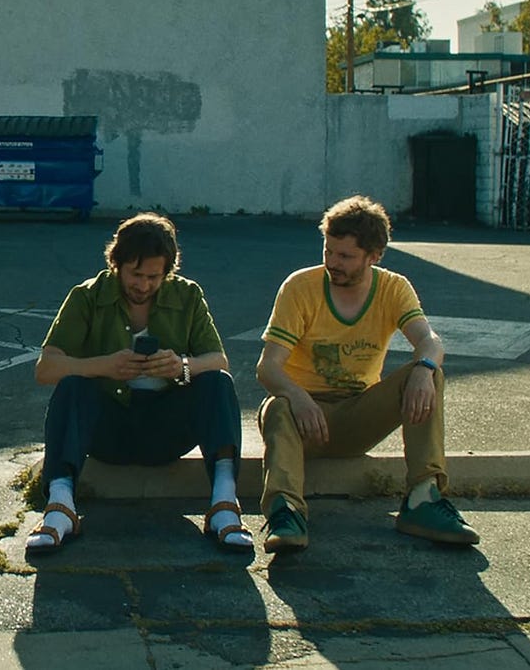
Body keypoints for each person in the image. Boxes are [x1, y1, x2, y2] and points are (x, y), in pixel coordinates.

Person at [255, 195, 479, 553]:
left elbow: (430, 341)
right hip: (302, 419)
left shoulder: (393, 288)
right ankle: (287, 514)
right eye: (328, 251)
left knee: (428, 373)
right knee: (277, 406)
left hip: (358, 415)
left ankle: (423, 500)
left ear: (374, 256)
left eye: (345, 256)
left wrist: (424, 369)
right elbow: (267, 366)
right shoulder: (300, 287)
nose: (332, 262)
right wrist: (298, 396)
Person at [26, 212, 252, 555]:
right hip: (107, 432)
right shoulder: (87, 296)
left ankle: (224, 503)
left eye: (153, 277)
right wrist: (104, 366)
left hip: (166, 431)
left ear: (167, 271)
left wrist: (181, 367)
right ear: (116, 263)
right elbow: (45, 369)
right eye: (135, 274)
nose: (143, 286)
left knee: (217, 383)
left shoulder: (188, 295)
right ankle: (60, 506)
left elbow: (219, 361)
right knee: (73, 385)